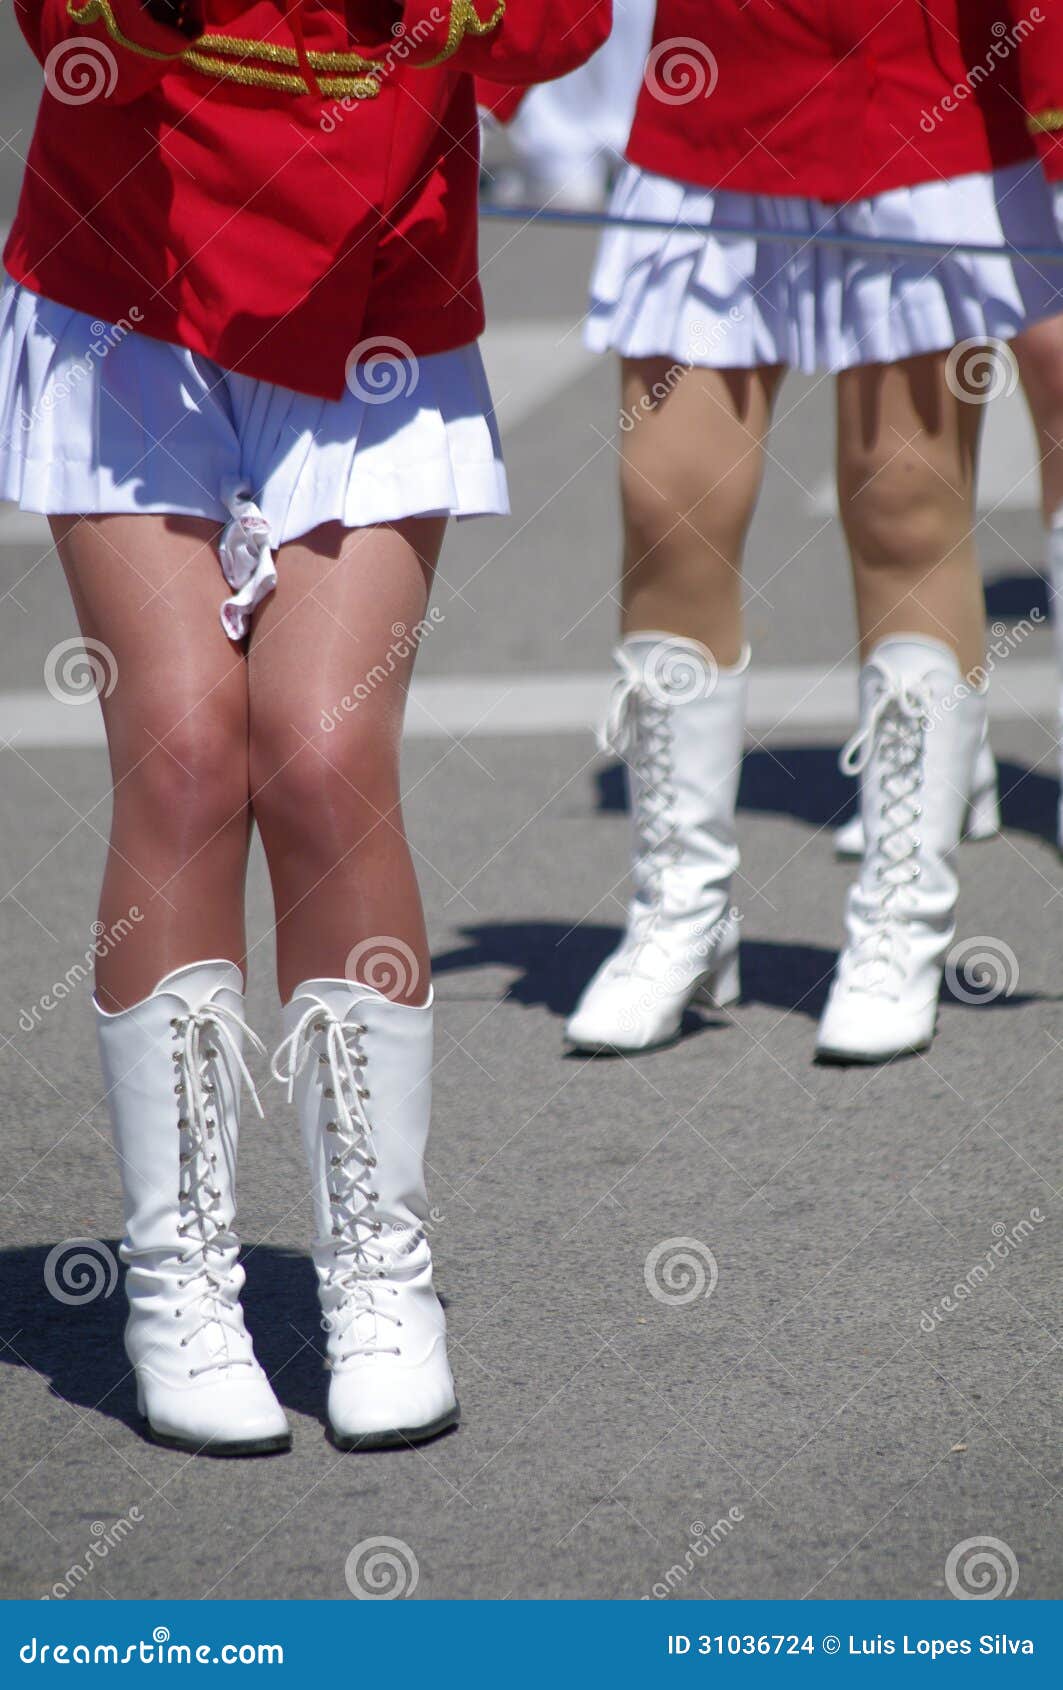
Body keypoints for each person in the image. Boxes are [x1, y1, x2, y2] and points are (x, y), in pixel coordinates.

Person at [1, 0, 609, 1456]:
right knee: (189, 751)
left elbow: (557, 31)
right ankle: (182, 1281)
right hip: (126, 294)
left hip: (378, 306)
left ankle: (379, 1276)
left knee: (326, 756)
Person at [563, 0, 1063, 1064]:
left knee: (901, 506)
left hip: (910, 96)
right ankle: (680, 915)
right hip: (712, 98)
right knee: (667, 504)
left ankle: (901, 917)